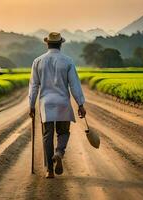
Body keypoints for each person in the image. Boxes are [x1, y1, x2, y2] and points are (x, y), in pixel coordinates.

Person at [28, 32, 86, 178]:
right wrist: (80, 104)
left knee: (47, 135)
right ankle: (59, 153)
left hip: (46, 104)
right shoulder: (67, 61)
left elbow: (34, 86)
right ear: (61, 44)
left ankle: (49, 171)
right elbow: (74, 85)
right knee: (64, 132)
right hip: (62, 103)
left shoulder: (38, 61)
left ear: (47, 44)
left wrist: (32, 105)